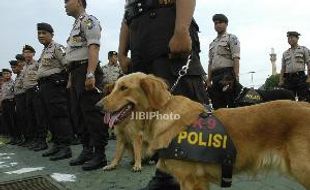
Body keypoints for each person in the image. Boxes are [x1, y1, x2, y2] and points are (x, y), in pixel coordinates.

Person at [119, 0, 208, 189]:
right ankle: (166, 176)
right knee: (154, 116)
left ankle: (189, 180)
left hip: (167, 28)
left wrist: (182, 30)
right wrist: (121, 51)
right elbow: (128, 12)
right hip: (139, 37)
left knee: (181, 114)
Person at [64, 0, 108, 171]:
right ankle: (87, 149)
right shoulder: (75, 25)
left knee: (92, 113)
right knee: (79, 113)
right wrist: (70, 78)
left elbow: (94, 47)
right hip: (75, 72)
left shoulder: (88, 21)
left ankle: (100, 154)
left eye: (68, 1)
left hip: (86, 69)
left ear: (79, 2)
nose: (65, 4)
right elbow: (72, 55)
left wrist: (90, 73)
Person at [36, 22, 74, 158]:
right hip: (44, 86)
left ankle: (65, 147)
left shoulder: (57, 47)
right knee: (50, 116)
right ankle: (57, 144)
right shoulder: (44, 51)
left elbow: (68, 64)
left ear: (51, 34)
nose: (41, 35)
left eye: (44, 33)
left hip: (55, 85)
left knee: (59, 115)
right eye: (39, 33)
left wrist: (69, 82)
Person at [206, 14, 240, 109]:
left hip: (227, 74)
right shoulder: (212, 43)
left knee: (232, 104)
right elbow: (210, 63)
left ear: (226, 24)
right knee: (217, 106)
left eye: (220, 22)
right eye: (215, 23)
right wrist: (208, 80)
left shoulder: (231, 38)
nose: (217, 25)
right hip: (215, 76)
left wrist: (236, 77)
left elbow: (236, 58)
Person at [21, 45, 47, 150]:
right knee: (31, 117)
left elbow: (41, 75)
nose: (27, 54)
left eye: (29, 52)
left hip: (36, 90)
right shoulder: (24, 67)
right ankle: (36, 140)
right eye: (25, 52)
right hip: (27, 92)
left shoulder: (36, 64)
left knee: (39, 116)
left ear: (33, 54)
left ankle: (42, 141)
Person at [279, 31, 310, 102]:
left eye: (292, 37)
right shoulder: (285, 53)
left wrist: (309, 77)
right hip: (288, 79)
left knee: (304, 99)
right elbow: (283, 68)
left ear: (297, 38)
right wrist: (281, 80)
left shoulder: (304, 49)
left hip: (300, 77)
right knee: (289, 100)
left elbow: (309, 64)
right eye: (288, 38)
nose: (290, 39)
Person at [102, 51, 123, 140]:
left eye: (117, 57)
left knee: (116, 111)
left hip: (115, 92)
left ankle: (115, 132)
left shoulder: (120, 68)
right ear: (110, 58)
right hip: (106, 92)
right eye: (114, 57)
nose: (116, 58)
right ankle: (105, 132)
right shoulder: (103, 68)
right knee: (106, 111)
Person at [14, 54, 27, 145]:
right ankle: (27, 138)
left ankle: (33, 138)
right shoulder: (18, 76)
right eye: (18, 62)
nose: (19, 64)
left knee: (28, 118)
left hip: (25, 96)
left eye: (20, 62)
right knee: (22, 118)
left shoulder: (25, 72)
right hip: (19, 98)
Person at [0, 68, 16, 144]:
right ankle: (12, 137)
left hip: (11, 102)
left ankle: (17, 137)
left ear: (11, 74)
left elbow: (15, 94)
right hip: (4, 103)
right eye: (4, 74)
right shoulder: (3, 84)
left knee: (13, 120)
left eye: (7, 73)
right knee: (7, 121)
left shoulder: (13, 83)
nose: (6, 75)